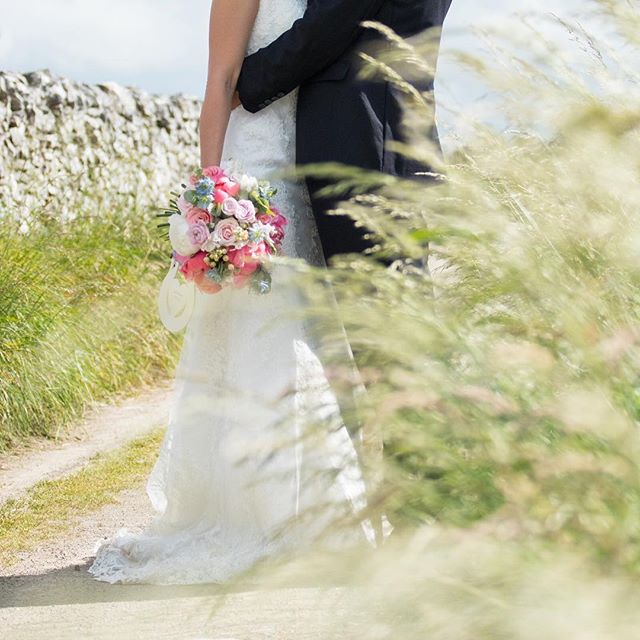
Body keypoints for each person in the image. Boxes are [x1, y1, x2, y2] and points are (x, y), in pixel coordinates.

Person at [89, 0, 375, 585]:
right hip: (257, 173)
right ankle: (271, 513)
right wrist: (210, 193)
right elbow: (220, 81)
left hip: (309, 163)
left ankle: (320, 509)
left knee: (314, 338)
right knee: (268, 337)